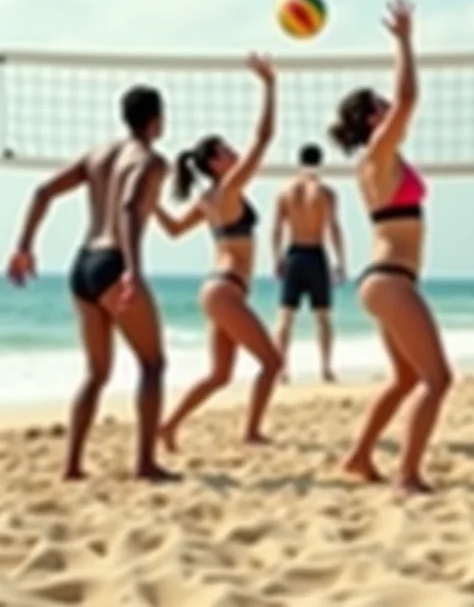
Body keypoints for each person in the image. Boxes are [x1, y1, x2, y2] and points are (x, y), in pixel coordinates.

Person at [6, 85, 177, 482]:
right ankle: (145, 463)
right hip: (115, 262)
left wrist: (24, 246)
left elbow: (42, 192)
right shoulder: (151, 162)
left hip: (82, 264)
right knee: (153, 364)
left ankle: (72, 465)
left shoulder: (98, 154)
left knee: (96, 373)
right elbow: (130, 208)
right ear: (156, 121)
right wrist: (134, 268)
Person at [328, 0, 452, 495]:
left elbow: (401, 107)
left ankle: (358, 458)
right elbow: (409, 101)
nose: (389, 108)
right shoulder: (377, 155)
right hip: (390, 280)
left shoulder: (382, 158)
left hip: (386, 280)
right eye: (379, 106)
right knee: (438, 380)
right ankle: (407, 474)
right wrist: (404, 42)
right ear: (369, 120)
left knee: (405, 379)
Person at [152, 53, 283, 451]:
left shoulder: (209, 198)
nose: (235, 153)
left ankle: (167, 426)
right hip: (225, 289)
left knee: (221, 375)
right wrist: (270, 87)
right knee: (272, 363)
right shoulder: (227, 190)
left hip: (218, 289)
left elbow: (173, 230)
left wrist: (149, 203)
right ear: (214, 164)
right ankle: (252, 431)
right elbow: (263, 140)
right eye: (226, 151)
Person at [272, 143, 347, 384]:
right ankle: (326, 368)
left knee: (285, 316)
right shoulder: (326, 193)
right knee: (322, 316)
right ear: (320, 162)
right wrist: (341, 261)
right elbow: (334, 227)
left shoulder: (285, 193)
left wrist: (277, 259)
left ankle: (282, 370)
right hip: (316, 253)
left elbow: (275, 230)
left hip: (294, 253)